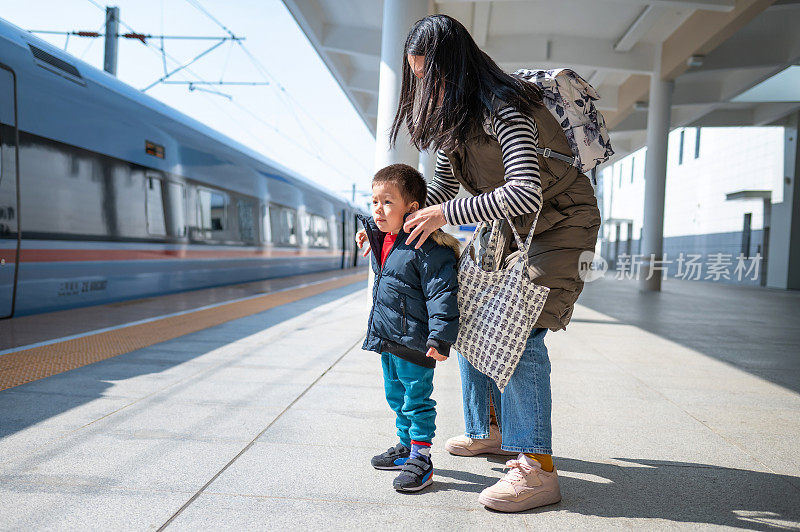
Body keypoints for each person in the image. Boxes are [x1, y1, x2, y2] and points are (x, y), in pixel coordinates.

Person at [358, 14, 601, 512]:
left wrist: (445, 213)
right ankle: (490, 430)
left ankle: (535, 468)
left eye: (431, 74)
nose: (424, 86)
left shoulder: (505, 107)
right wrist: (383, 225)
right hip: (508, 225)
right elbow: (439, 194)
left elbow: (525, 188)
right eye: (417, 76)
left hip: (560, 220)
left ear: (455, 66)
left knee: (521, 332)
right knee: (468, 313)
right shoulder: (453, 123)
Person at [357, 163, 460, 492]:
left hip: (416, 342)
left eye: (387, 201)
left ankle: (422, 458)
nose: (378, 208)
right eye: (374, 201)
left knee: (417, 400)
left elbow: (442, 293)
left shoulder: (429, 247)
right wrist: (370, 237)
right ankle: (405, 447)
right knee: (396, 396)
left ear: (412, 208)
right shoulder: (387, 240)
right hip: (388, 338)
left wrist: (440, 337)